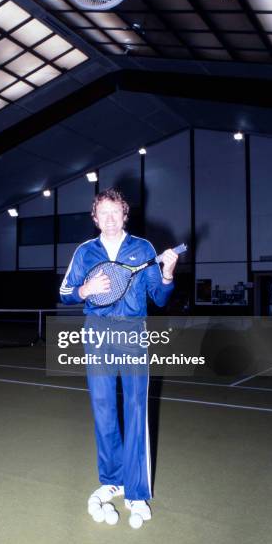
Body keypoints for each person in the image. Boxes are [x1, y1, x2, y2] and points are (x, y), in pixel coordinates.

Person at [59, 188, 179, 525]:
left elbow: (159, 296)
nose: (109, 219)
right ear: (95, 217)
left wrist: (168, 273)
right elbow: (65, 292)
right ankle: (112, 480)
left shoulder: (143, 249)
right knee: (103, 407)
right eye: (103, 213)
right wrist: (86, 290)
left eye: (116, 212)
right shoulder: (85, 252)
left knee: (136, 407)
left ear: (125, 214)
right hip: (96, 333)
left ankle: (137, 492)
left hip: (132, 332)